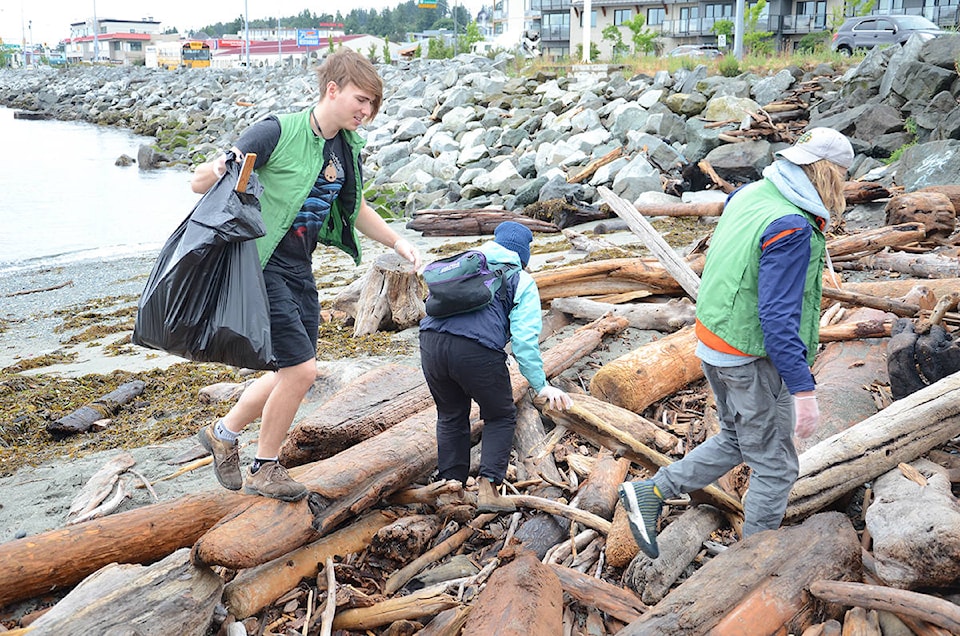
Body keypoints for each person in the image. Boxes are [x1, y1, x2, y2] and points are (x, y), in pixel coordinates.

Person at [190, 49, 421, 502]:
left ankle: (222, 433)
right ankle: (265, 467)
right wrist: (219, 167)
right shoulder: (277, 131)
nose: (367, 111)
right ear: (332, 90)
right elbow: (199, 182)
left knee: (289, 372)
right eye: (361, 99)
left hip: (299, 266)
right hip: (262, 263)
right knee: (301, 371)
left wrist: (397, 242)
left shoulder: (344, 148)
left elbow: (354, 210)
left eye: (373, 104)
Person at [618, 128, 854, 557]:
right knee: (776, 467)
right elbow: (778, 317)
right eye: (844, 175)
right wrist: (803, 390)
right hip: (749, 355)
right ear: (827, 174)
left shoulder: (750, 194)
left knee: (739, 438)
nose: (847, 187)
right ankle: (751, 562)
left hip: (714, 340)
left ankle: (651, 492)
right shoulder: (791, 225)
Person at [419, 221, 573, 511]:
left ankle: (450, 491)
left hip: (430, 344)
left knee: (451, 415)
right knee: (500, 414)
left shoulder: (465, 264)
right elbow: (525, 342)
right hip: (476, 350)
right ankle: (489, 491)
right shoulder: (521, 280)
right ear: (524, 254)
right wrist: (541, 386)